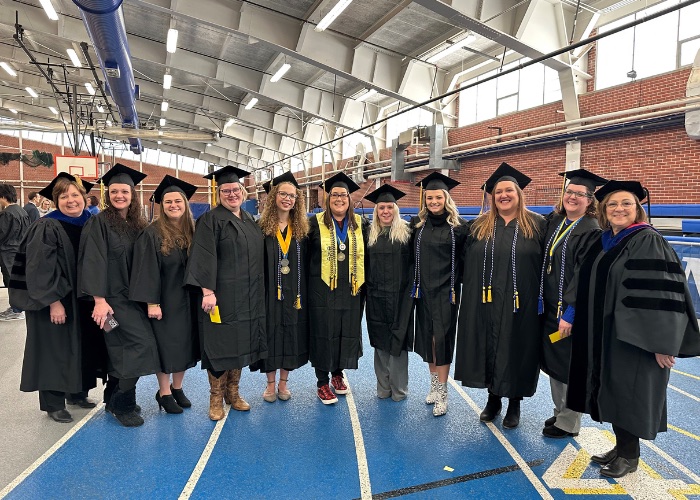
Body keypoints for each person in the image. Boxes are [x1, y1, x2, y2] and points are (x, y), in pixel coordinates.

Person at [565, 180, 700, 478]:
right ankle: (620, 446)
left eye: (626, 203)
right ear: (604, 210)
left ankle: (630, 455)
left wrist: (663, 342)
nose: (618, 209)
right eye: (612, 204)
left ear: (637, 209)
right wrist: (572, 313)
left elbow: (662, 293)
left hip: (636, 339)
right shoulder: (601, 241)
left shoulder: (647, 240)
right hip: (603, 335)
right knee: (611, 391)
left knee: (629, 392)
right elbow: (582, 280)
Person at [455, 163, 545, 428]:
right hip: (486, 302)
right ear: (491, 197)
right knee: (490, 346)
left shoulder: (538, 225)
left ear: (518, 194)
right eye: (498, 192)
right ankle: (493, 398)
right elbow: (462, 262)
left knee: (517, 348)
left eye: (509, 190)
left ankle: (514, 403)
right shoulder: (478, 226)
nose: (503, 195)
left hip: (521, 303)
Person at [12, 174, 108, 422]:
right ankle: (53, 403)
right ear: (55, 201)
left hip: (83, 299)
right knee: (54, 350)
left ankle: (77, 392)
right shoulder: (47, 226)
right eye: (63, 196)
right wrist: (53, 302)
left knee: (82, 345)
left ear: (84, 198)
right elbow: (39, 268)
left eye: (75, 195)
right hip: (55, 301)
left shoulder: (91, 222)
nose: (71, 200)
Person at [78, 163, 160, 427]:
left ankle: (115, 396)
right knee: (139, 346)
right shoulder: (99, 223)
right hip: (111, 305)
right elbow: (93, 261)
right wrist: (99, 302)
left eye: (124, 191)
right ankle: (120, 404)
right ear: (107, 194)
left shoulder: (137, 224)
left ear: (132, 194)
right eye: (114, 192)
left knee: (123, 350)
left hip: (133, 300)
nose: (119, 196)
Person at [184, 165, 266, 421]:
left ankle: (233, 392)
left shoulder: (249, 219)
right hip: (221, 297)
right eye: (226, 191)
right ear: (219, 194)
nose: (232, 194)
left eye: (236, 190)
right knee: (220, 346)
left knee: (240, 343)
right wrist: (207, 291)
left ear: (243, 191)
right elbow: (203, 257)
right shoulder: (211, 220)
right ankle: (216, 397)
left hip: (248, 296)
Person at [539, 169, 606, 439]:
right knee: (556, 362)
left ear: (590, 200)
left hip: (568, 312)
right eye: (569, 192)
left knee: (568, 364)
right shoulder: (556, 221)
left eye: (580, 194)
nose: (573, 197)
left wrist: (571, 311)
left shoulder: (592, 231)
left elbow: (584, 275)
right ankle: (561, 411)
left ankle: (569, 422)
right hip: (549, 307)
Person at [130, 175, 200, 414]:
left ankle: (177, 387)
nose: (173, 205)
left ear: (185, 204)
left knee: (185, 346)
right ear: (161, 205)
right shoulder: (151, 234)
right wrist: (152, 302)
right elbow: (147, 270)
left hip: (188, 301)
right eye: (168, 201)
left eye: (177, 201)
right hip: (165, 301)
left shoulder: (193, 230)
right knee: (166, 347)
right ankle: (164, 391)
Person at [408, 172, 468, 416]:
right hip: (423, 293)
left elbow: (465, 263)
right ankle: (433, 384)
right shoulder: (417, 226)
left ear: (446, 198)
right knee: (427, 340)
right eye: (429, 198)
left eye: (438, 197)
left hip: (447, 294)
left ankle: (443, 391)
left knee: (441, 341)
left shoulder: (459, 229)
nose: (433, 202)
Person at [307, 171, 368, 405]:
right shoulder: (314, 223)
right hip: (322, 291)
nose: (339, 199)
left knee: (345, 332)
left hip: (351, 291)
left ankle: (337, 374)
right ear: (327, 198)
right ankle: (322, 382)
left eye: (343, 195)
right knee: (324, 334)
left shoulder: (360, 224)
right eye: (334, 195)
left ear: (350, 199)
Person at [251, 171, 309, 402]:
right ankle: (270, 384)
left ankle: (284, 383)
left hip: (295, 293)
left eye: (292, 196)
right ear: (274, 196)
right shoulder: (260, 228)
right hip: (269, 294)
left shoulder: (303, 230)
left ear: (297, 200)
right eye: (283, 194)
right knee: (271, 334)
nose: (287, 199)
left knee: (291, 334)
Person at [364, 184, 413, 402]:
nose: (385, 211)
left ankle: (399, 389)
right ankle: (383, 387)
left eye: (389, 207)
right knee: (380, 342)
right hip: (375, 296)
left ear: (396, 209)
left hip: (400, 297)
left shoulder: (407, 234)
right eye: (381, 207)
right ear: (376, 210)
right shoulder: (369, 234)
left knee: (398, 343)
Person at [0, 184, 29, 321]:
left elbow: (2, 234)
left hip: (9, 252)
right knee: (18, 280)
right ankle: (18, 307)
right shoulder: (21, 211)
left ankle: (17, 309)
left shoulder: (7, 213)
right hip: (20, 250)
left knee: (11, 281)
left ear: (3, 196)